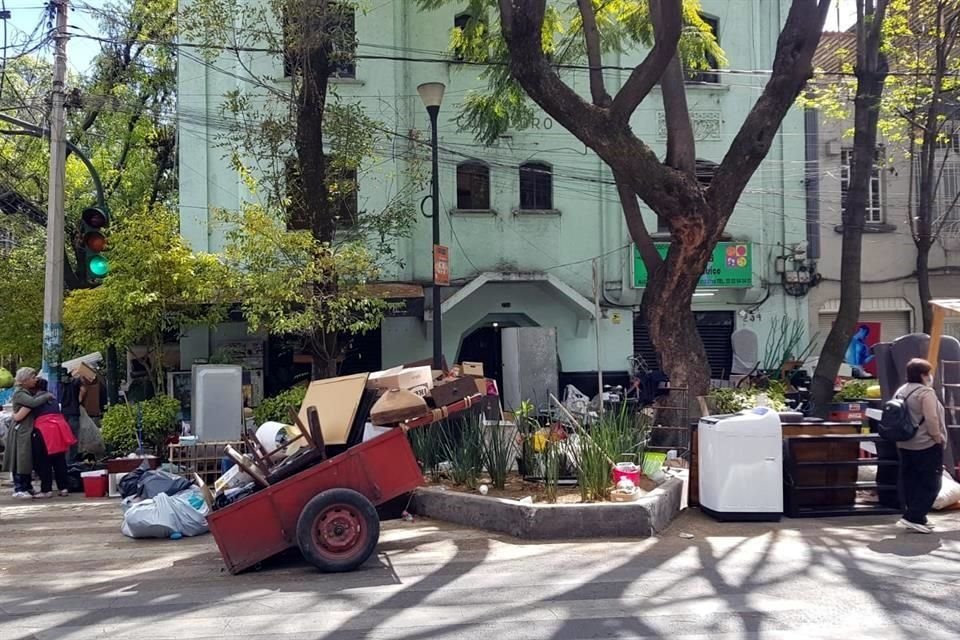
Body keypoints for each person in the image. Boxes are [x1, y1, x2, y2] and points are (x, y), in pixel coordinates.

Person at [896, 358, 948, 534]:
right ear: (923, 375)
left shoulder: (901, 391)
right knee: (931, 482)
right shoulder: (926, 393)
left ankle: (917, 515)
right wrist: (937, 437)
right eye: (928, 373)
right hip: (926, 443)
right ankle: (913, 517)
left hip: (905, 442)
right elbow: (932, 418)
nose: (930, 376)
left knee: (911, 480)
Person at [2, 368, 54, 498]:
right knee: (21, 459)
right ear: (24, 380)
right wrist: (46, 396)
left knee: (25, 459)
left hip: (26, 429)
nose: (35, 379)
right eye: (33, 377)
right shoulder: (20, 393)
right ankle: (20, 487)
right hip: (21, 430)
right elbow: (32, 403)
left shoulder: (24, 392)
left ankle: (27, 486)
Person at [21, 378, 76, 497]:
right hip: (58, 429)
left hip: (43, 430)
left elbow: (24, 414)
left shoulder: (35, 400)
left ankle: (46, 489)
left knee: (43, 461)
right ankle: (63, 488)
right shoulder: (53, 399)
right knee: (59, 460)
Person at [59, 369, 83, 464]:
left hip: (64, 414)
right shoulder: (73, 384)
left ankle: (67, 460)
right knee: (73, 438)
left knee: (67, 438)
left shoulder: (60, 386)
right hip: (72, 414)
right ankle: (71, 460)